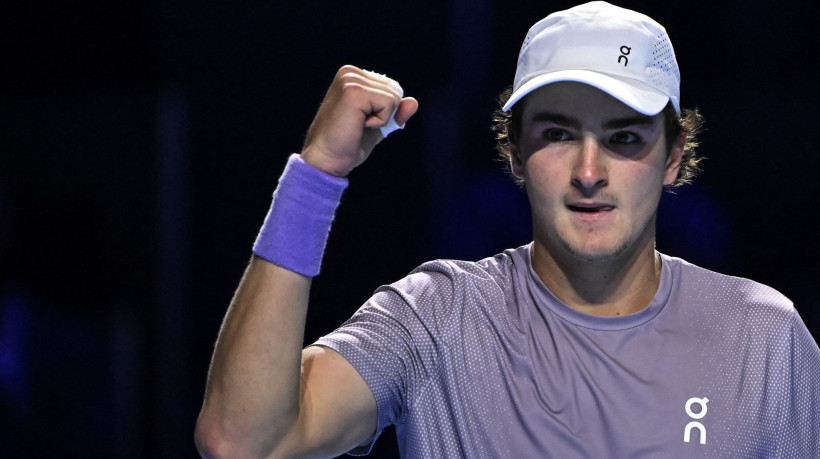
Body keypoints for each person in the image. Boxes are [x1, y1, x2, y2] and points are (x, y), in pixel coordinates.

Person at [194, 2, 820, 458]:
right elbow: (243, 442)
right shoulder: (436, 319)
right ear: (515, 153)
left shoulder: (763, 336)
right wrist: (316, 176)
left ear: (674, 156)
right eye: (558, 133)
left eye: (625, 138)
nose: (589, 172)